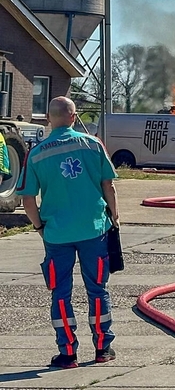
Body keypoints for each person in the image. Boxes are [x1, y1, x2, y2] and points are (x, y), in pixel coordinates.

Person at [15, 97, 120, 369]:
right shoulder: (94, 144)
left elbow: (27, 199)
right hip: (93, 230)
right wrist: (114, 217)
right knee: (97, 289)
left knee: (60, 293)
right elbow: (108, 186)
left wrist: (39, 227)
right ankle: (103, 348)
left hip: (57, 235)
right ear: (74, 117)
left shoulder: (36, 154)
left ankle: (67, 353)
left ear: (49, 119)